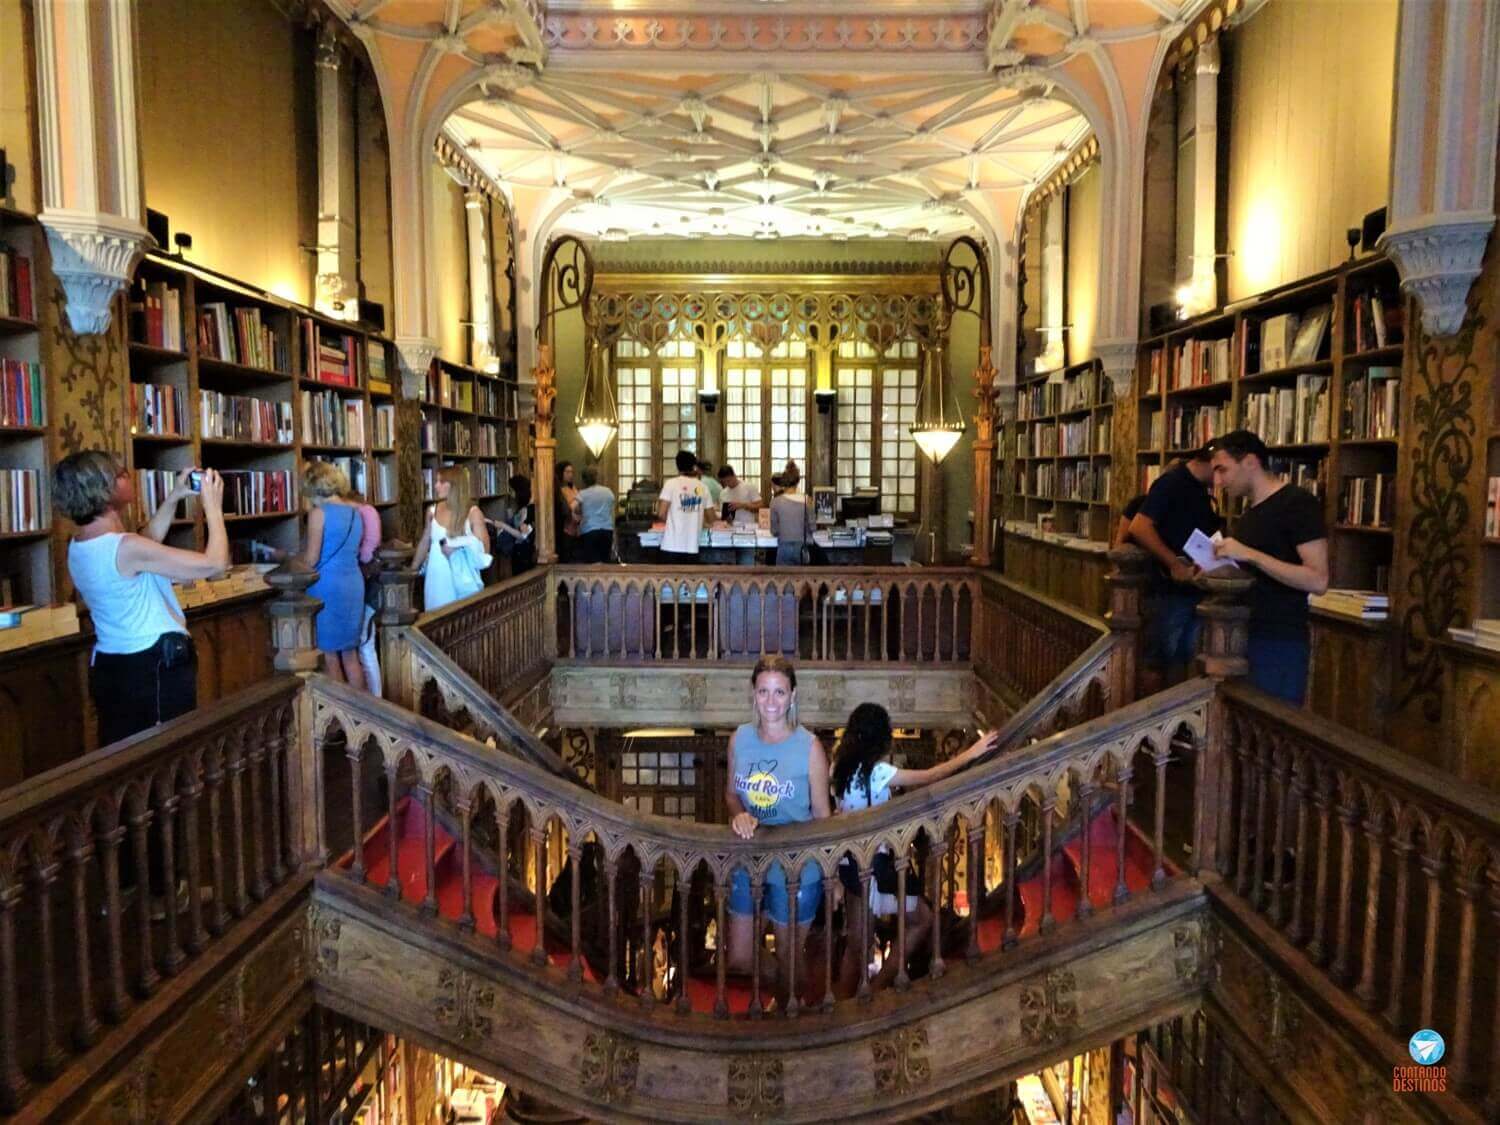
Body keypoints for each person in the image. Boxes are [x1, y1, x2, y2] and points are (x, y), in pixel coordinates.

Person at [57, 453, 228, 745]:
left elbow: (145, 540)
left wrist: (175, 497)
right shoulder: (126, 547)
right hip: (154, 666)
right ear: (105, 489)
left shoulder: (80, 545)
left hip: (112, 665)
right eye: (122, 473)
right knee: (168, 758)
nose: (129, 477)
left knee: (127, 759)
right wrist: (213, 508)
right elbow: (216, 564)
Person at [831, 704, 999, 993]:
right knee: (919, 920)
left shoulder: (839, 768)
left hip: (849, 861)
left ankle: (843, 1005)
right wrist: (973, 752)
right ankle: (876, 987)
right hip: (878, 861)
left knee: (858, 943)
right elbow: (931, 775)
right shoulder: (877, 771)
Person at [725, 655, 830, 1008]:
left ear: (793, 696)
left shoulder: (810, 748)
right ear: (753, 694)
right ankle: (791, 996)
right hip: (749, 856)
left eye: (780, 693)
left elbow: (822, 817)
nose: (771, 701)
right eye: (764, 692)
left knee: (789, 956)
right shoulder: (739, 740)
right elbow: (730, 793)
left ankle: (791, 1009)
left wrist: (830, 873)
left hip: (797, 867)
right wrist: (739, 813)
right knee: (739, 955)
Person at [1208, 430, 1329, 705]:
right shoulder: (1251, 513)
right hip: (1242, 634)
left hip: (1279, 639)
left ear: (1250, 462)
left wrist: (1249, 554)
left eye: (1222, 470)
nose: (1217, 481)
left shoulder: (1297, 504)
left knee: (1271, 728)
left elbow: (1318, 580)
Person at [1128, 449, 1220, 685]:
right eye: (1219, 469)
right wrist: (1173, 563)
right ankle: (1149, 717)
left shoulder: (1201, 490)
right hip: (1167, 589)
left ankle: (1173, 717)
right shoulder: (1171, 483)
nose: (1222, 478)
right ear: (1206, 461)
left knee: (1182, 658)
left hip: (1193, 588)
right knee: (1158, 659)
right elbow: (1139, 527)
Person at [301, 462, 368, 690]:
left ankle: (341, 718)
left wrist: (289, 560)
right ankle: (364, 715)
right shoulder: (354, 513)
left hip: (327, 587)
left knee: (329, 655)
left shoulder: (318, 514)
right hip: (353, 584)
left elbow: (311, 559)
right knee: (350, 654)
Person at [413, 466, 492, 612]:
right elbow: (425, 541)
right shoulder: (432, 510)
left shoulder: (473, 513)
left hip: (461, 578)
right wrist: (412, 569)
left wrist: (459, 547)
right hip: (436, 576)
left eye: (441, 482)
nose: (436, 486)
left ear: (454, 485)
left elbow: (484, 552)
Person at [348, 488, 383, 696]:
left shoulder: (365, 511)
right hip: (364, 582)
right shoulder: (365, 511)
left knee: (365, 645)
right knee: (364, 646)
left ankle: (376, 701)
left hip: (368, 584)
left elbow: (369, 551)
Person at [657, 450, 718, 562]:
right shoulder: (702, 487)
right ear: (694, 466)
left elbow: (661, 514)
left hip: (671, 544)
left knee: (670, 579)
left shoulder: (671, 484)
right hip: (692, 546)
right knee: (690, 579)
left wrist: (675, 520)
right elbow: (712, 518)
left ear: (677, 466)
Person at [496, 474, 536, 575]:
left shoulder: (529, 510)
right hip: (519, 553)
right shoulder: (522, 508)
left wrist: (503, 526)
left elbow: (522, 536)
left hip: (524, 555)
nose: (511, 493)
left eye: (512, 490)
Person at [769, 472, 812, 566]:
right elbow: (813, 527)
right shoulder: (807, 500)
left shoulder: (775, 502)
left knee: (782, 579)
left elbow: (774, 530)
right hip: (802, 546)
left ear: (783, 483)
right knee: (802, 578)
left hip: (784, 545)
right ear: (797, 483)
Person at [576, 465, 616, 563]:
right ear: (596, 477)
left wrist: (578, 513)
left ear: (584, 480)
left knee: (592, 563)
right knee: (605, 561)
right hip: (607, 530)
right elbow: (612, 511)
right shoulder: (608, 491)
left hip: (589, 530)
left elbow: (573, 508)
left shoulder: (582, 493)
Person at [555, 461, 582, 563]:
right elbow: (564, 509)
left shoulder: (574, 488)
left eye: (572, 472)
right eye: (567, 472)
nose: (570, 475)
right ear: (561, 473)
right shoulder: (560, 489)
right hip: (566, 530)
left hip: (577, 530)